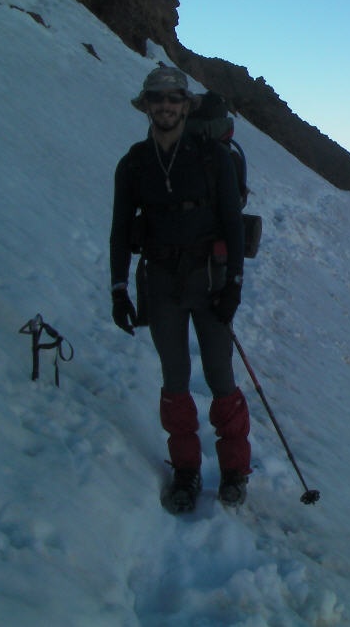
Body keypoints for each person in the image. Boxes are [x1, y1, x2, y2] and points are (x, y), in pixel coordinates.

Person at [109, 65, 251, 511]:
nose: (166, 106)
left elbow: (232, 223)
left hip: (209, 281)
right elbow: (119, 230)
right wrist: (118, 288)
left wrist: (234, 284)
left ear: (186, 106)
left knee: (220, 376)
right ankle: (185, 471)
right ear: (146, 106)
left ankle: (234, 472)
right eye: (158, 99)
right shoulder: (134, 163)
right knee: (174, 380)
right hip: (162, 282)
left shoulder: (212, 157)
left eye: (174, 98)